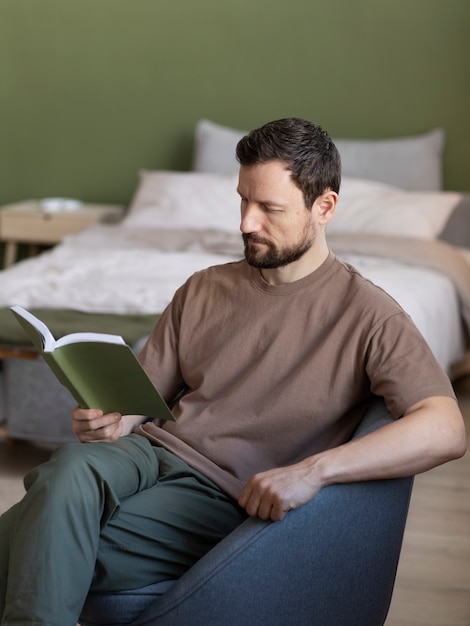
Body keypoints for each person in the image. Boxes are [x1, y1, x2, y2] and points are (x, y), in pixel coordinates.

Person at [0, 118, 466, 626]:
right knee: (67, 468)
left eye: (269, 208)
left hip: (222, 491)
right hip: (150, 453)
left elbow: (445, 428)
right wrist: (111, 421)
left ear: (324, 207)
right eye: (243, 200)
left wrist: (315, 470)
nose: (246, 223)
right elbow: (139, 402)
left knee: (55, 536)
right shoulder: (203, 287)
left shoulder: (370, 315)